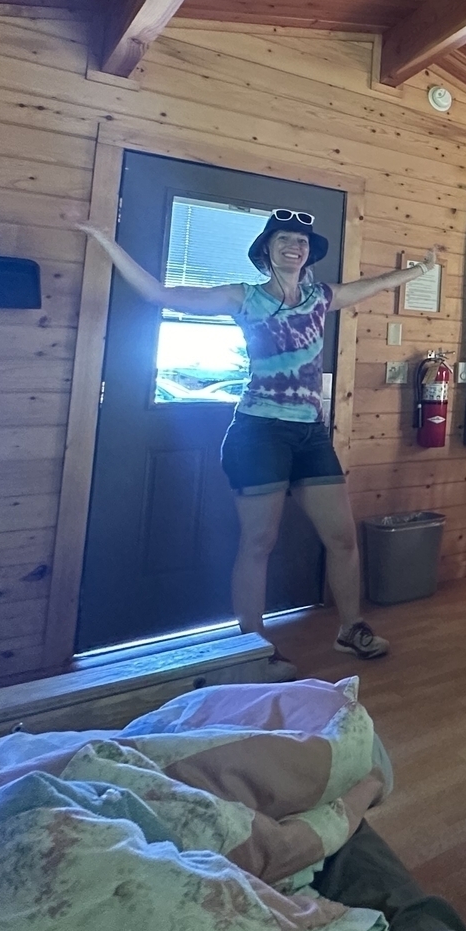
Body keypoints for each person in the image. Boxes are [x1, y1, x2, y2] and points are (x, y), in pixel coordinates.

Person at [78, 210, 439, 664]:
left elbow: (375, 284)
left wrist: (421, 270)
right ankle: (253, 649)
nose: (294, 245)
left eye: (301, 240)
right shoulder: (244, 297)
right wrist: (103, 238)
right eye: (284, 238)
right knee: (258, 541)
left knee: (342, 538)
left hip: (310, 435)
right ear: (266, 249)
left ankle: (351, 629)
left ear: (308, 254)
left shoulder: (320, 298)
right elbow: (158, 294)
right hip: (259, 432)